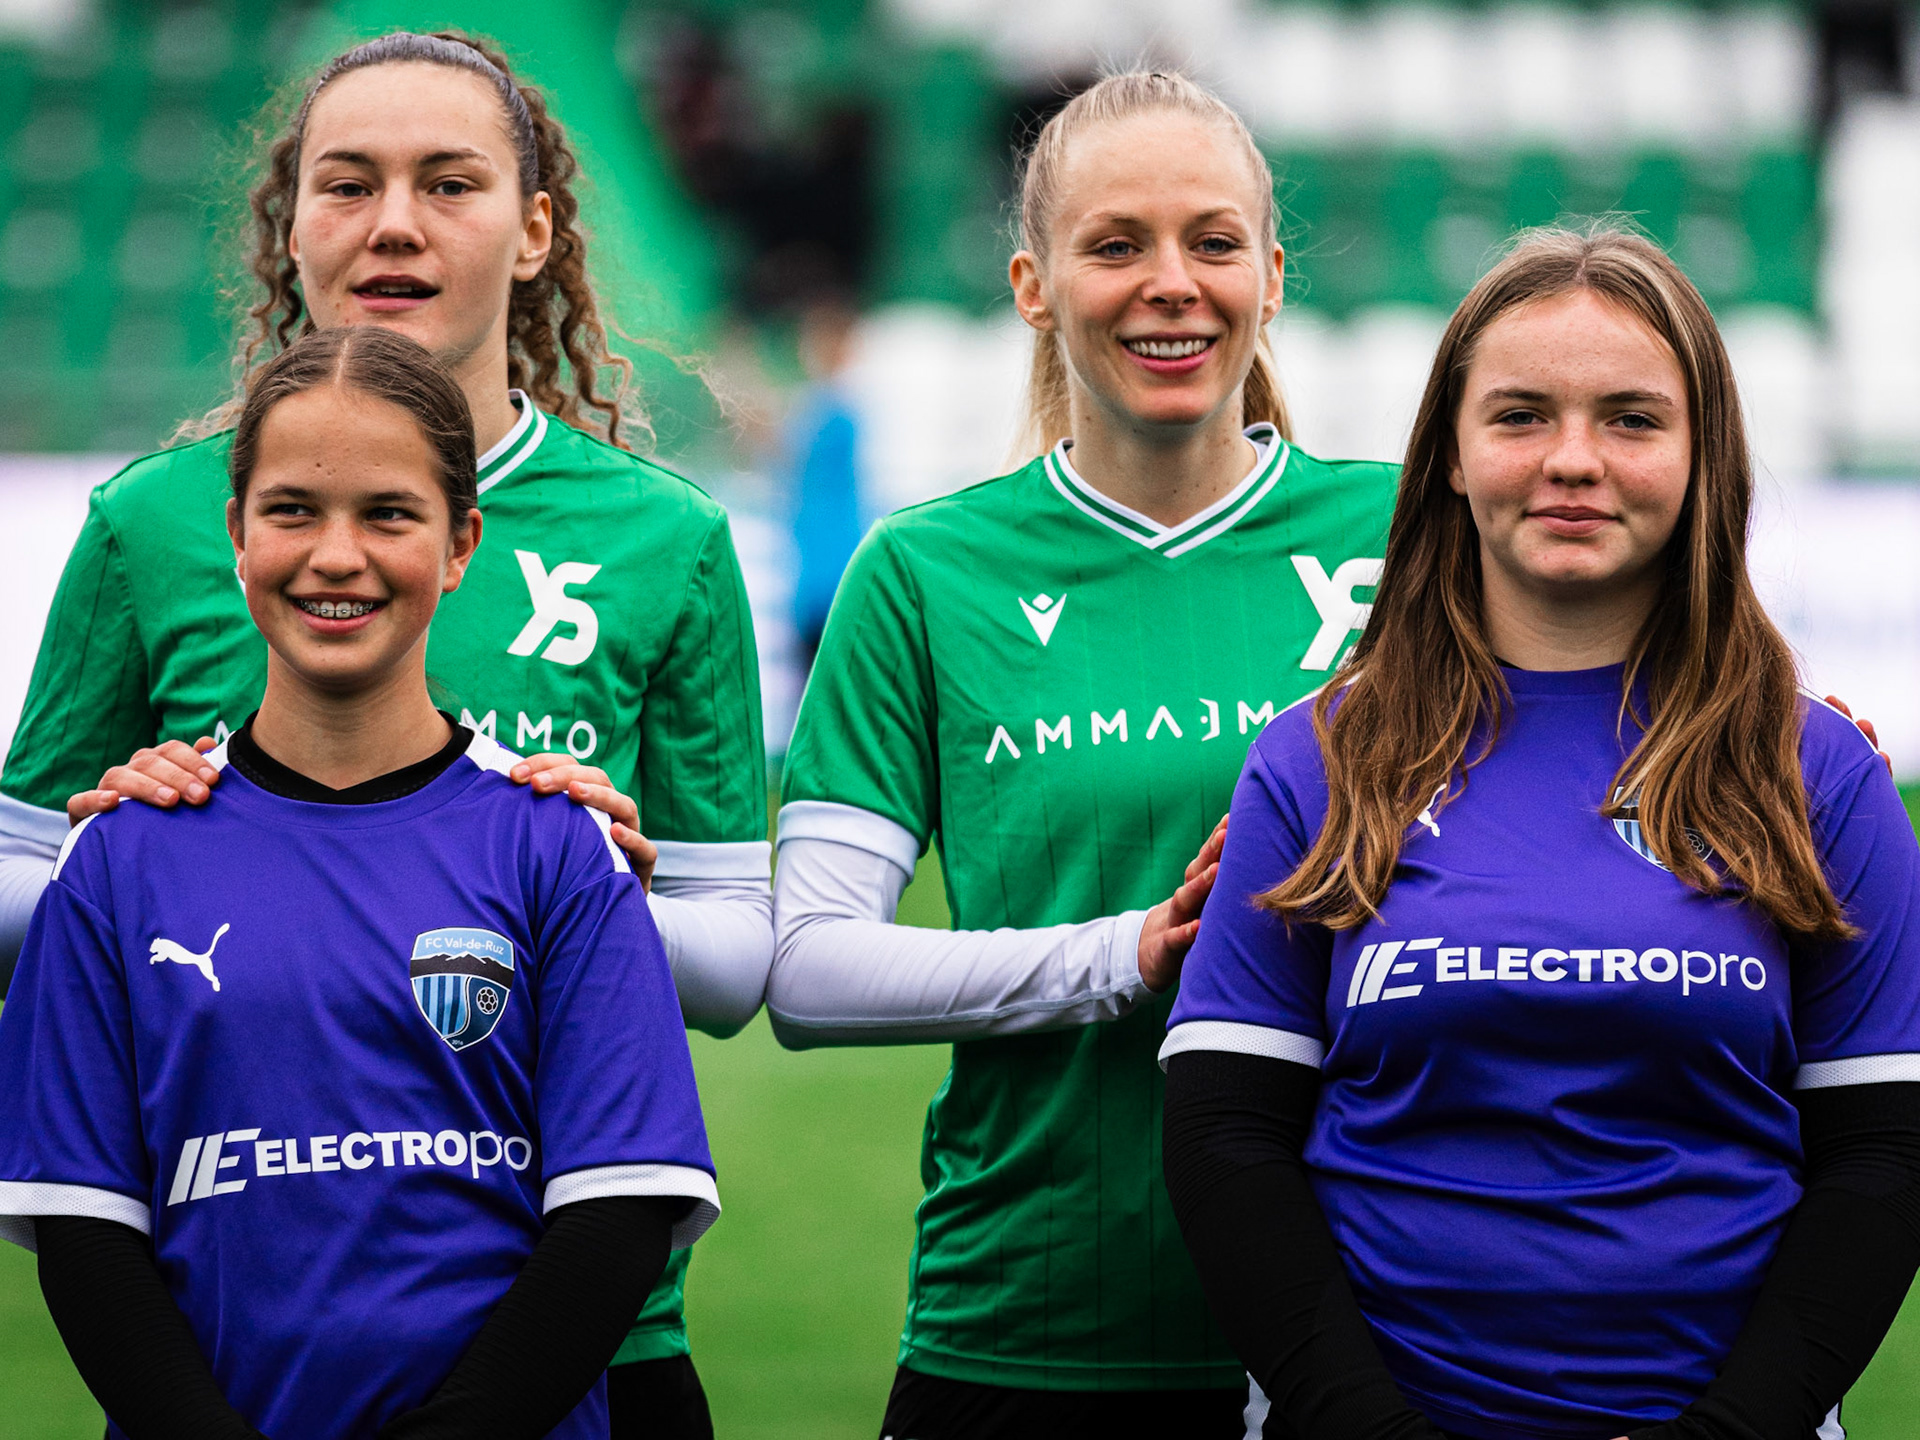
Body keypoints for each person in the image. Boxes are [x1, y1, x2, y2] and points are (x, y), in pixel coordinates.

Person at [0, 32, 766, 1430]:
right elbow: (22, 899)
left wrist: (568, 889)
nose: (394, 223)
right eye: (347, 184)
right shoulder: (149, 522)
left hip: (582, 1326)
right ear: (289, 226)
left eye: (449, 183)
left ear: (535, 231)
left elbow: (735, 964)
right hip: (226, 1317)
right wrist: (133, 848)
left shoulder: (668, 538)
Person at [1161, 226, 1920, 1440]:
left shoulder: (1816, 773)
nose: (1575, 460)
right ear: (1452, 457)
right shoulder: (1319, 759)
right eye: (1520, 416)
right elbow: (1227, 1135)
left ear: (1702, 454)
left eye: (1631, 418)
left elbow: (1884, 1161)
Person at [768, 71, 1399, 1437]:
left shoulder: (1410, 543)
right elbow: (808, 968)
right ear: (1032, 284)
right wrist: (1127, 955)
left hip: (1374, 1337)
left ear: (1272, 275)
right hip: (1026, 1328)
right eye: (1115, 244)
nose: (1169, 282)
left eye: (1212, 241)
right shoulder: (926, 574)